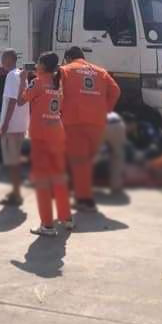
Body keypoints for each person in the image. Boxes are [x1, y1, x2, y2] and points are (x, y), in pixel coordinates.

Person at [17, 51, 74, 236]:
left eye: (38, 62)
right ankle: (66, 217)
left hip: (41, 136)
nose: (36, 65)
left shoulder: (37, 82)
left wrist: (23, 80)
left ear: (42, 65)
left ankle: (47, 225)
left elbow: (21, 100)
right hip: (57, 133)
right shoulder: (58, 84)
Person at [60, 46, 121, 212]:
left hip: (75, 122)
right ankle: (83, 195)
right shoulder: (100, 72)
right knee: (86, 162)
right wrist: (105, 110)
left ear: (68, 58)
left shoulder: (65, 70)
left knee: (79, 162)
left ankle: (85, 200)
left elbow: (55, 93)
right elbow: (116, 91)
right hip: (97, 124)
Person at [0, 48, 29, 206]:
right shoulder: (21, 75)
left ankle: (16, 194)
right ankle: (15, 191)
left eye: (3, 58)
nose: (1, 61)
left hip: (12, 126)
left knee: (12, 162)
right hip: (21, 124)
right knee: (15, 160)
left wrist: (4, 126)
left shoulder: (11, 76)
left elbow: (11, 102)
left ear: (8, 59)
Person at [103, 112, 127, 195]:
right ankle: (116, 187)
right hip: (118, 124)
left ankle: (82, 189)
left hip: (101, 124)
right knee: (117, 157)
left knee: (88, 157)